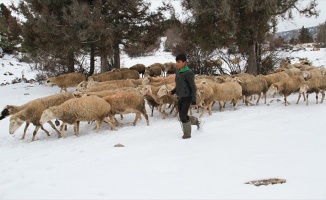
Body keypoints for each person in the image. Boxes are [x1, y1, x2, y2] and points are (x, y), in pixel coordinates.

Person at [169, 54, 200, 139]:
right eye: (176, 61)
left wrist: (194, 101)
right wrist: (173, 91)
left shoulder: (188, 73)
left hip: (187, 97)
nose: (177, 63)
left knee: (182, 116)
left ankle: (187, 134)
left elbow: (193, 88)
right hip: (180, 97)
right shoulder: (178, 72)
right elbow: (179, 85)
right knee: (182, 116)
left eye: (179, 61)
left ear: (184, 62)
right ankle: (196, 121)